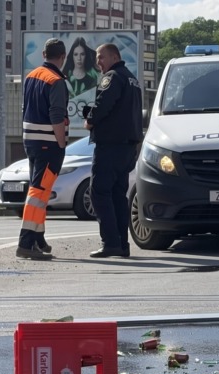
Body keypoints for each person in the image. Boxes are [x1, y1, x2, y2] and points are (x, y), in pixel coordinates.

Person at [84, 43, 143, 258]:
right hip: (127, 146)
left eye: (101, 57)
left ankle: (110, 242)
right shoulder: (132, 79)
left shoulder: (112, 77)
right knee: (118, 195)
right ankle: (121, 244)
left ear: (114, 56)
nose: (98, 62)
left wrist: (90, 120)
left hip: (110, 145)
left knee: (99, 192)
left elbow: (104, 103)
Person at [16, 38, 69, 261]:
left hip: (31, 141)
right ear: (63, 57)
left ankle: (38, 239)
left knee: (40, 191)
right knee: (38, 193)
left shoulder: (31, 76)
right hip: (49, 143)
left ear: (44, 55)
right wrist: (62, 143)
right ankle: (26, 242)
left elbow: (24, 108)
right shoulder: (56, 80)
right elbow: (57, 116)